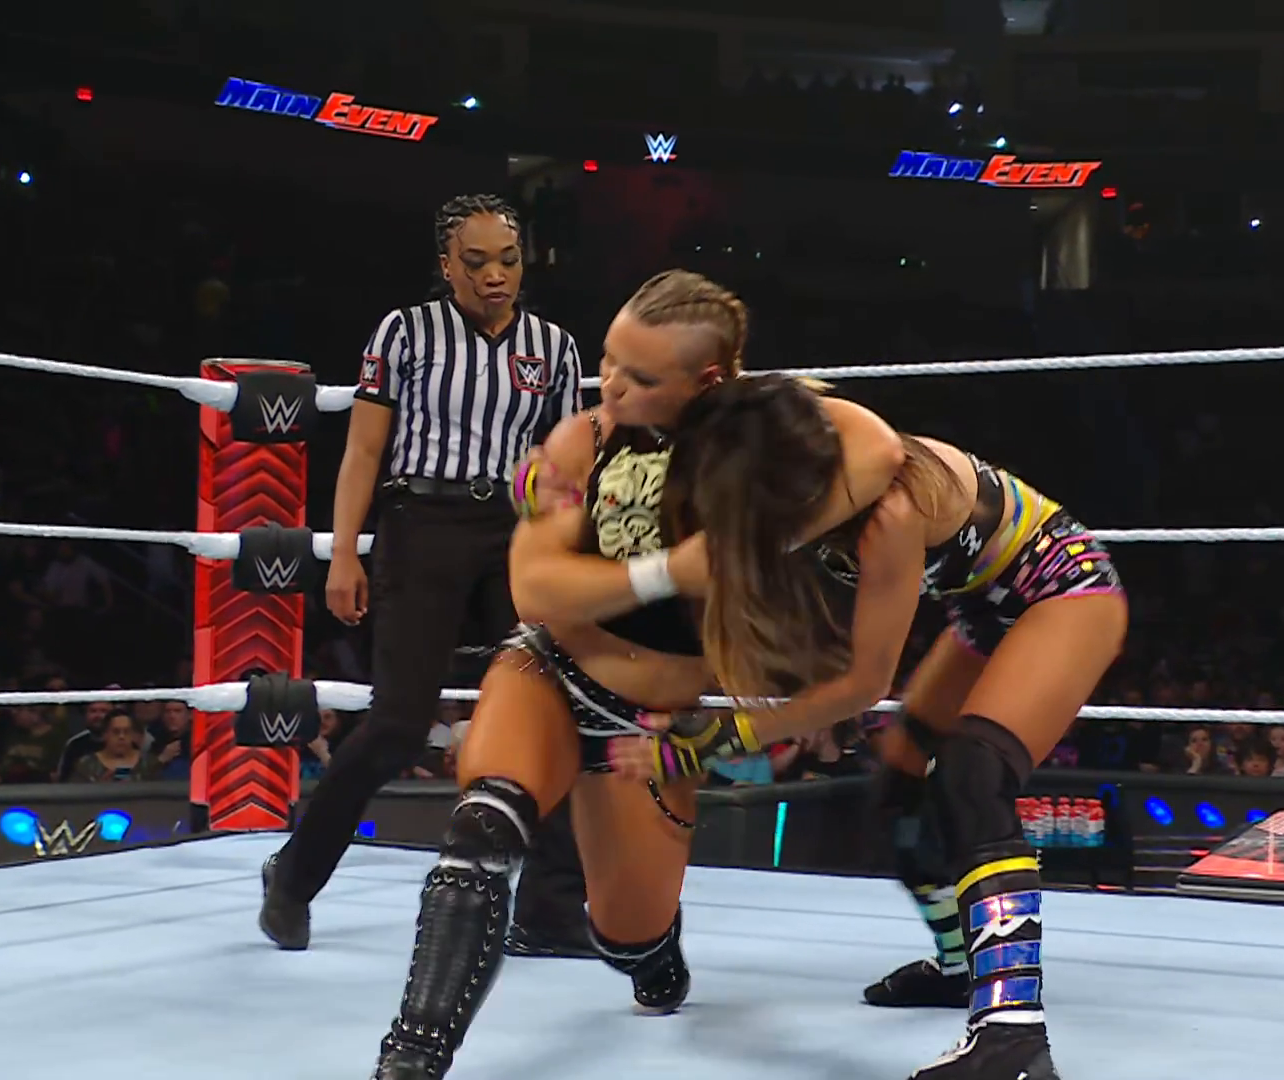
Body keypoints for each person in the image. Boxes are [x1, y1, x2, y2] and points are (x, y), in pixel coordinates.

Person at [370, 272, 907, 1078]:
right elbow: (536, 588)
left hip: (646, 726)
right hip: (551, 667)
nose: (612, 385)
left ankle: (653, 953)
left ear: (709, 380)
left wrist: (758, 535)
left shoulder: (764, 442)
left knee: (627, 937)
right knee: (481, 832)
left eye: (641, 375)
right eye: (609, 360)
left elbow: (879, 449)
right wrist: (670, 572)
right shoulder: (581, 442)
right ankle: (409, 1060)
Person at [615, 373, 1128, 1080]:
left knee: (972, 775)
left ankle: (1013, 1034)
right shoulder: (799, 465)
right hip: (981, 609)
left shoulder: (887, 510)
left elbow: (863, 684)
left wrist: (725, 737)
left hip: (1066, 590)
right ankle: (960, 966)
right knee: (900, 780)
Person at [261, 194, 586, 954]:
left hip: (514, 533)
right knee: (400, 723)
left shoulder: (555, 347)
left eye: (508, 260)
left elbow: (570, 464)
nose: (495, 275)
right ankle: (294, 877)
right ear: (447, 265)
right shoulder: (405, 332)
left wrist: (569, 553)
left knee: (552, 712)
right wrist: (345, 551)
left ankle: (550, 910)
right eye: (476, 262)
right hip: (423, 524)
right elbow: (364, 450)